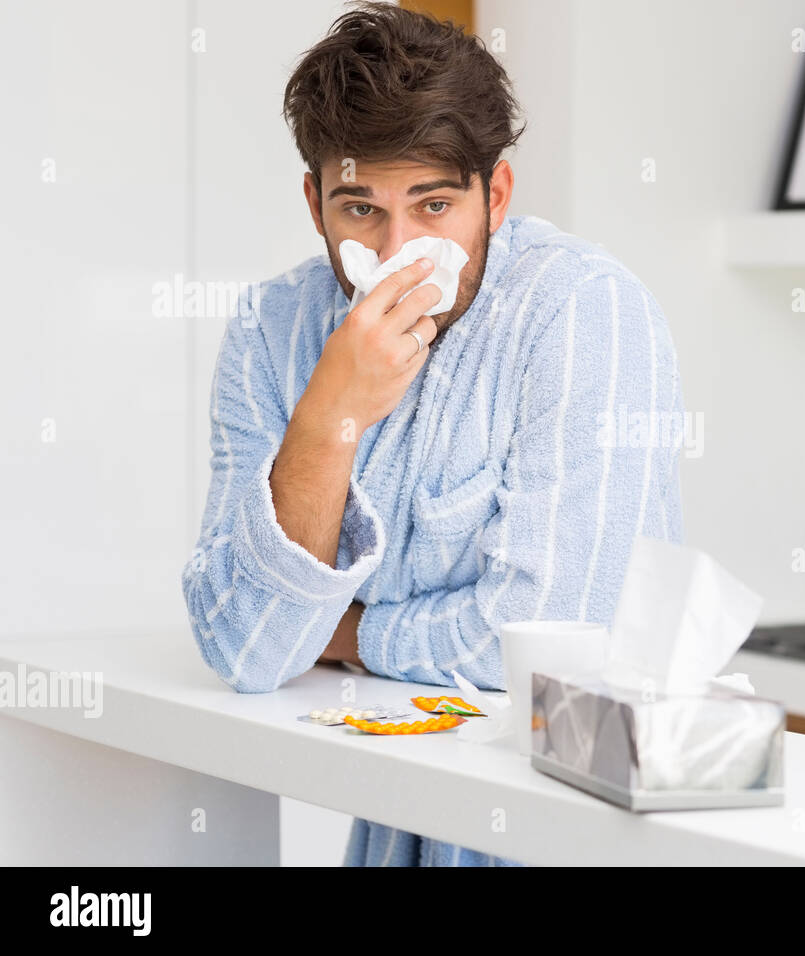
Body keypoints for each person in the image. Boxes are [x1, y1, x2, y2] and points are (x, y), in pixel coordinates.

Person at [180, 2, 684, 867]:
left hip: (572, 834)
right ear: (315, 204)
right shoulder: (273, 328)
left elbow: (561, 643)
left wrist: (349, 632)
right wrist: (332, 413)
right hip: (397, 829)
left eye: (435, 203)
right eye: (361, 209)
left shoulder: (583, 313)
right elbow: (245, 646)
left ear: (498, 194)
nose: (401, 252)